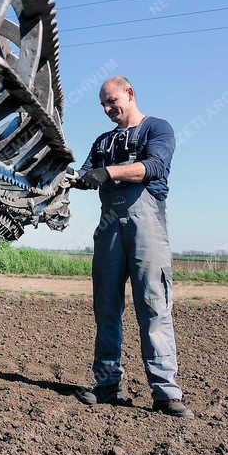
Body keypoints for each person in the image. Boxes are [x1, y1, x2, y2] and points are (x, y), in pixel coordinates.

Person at [72, 76, 192, 418]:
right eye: (104, 105)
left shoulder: (158, 129)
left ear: (130, 93)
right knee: (106, 308)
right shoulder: (102, 142)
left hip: (147, 228)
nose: (109, 109)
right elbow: (86, 175)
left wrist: (108, 173)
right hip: (109, 231)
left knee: (154, 306)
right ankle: (109, 386)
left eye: (113, 101)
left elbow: (154, 167)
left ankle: (165, 393)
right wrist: (70, 176)